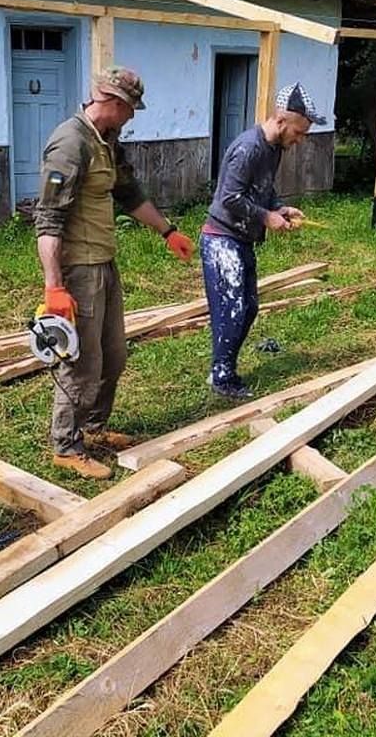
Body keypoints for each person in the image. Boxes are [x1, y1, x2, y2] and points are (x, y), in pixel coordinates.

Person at [33, 66, 195, 479]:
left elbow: (128, 192)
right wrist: (54, 288)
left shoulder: (107, 140)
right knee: (82, 362)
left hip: (104, 261)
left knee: (114, 355)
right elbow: (48, 219)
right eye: (131, 109)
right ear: (113, 102)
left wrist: (168, 231)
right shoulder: (70, 143)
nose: (133, 116)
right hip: (79, 269)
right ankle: (66, 445)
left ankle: (94, 427)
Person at [200, 82, 327, 399]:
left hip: (241, 239)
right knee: (232, 309)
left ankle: (224, 367)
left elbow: (263, 188)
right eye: (298, 132)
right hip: (221, 239)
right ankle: (222, 377)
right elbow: (229, 197)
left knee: (249, 308)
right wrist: (266, 217)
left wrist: (278, 207)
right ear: (281, 121)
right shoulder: (250, 148)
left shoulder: (273, 149)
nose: (299, 140)